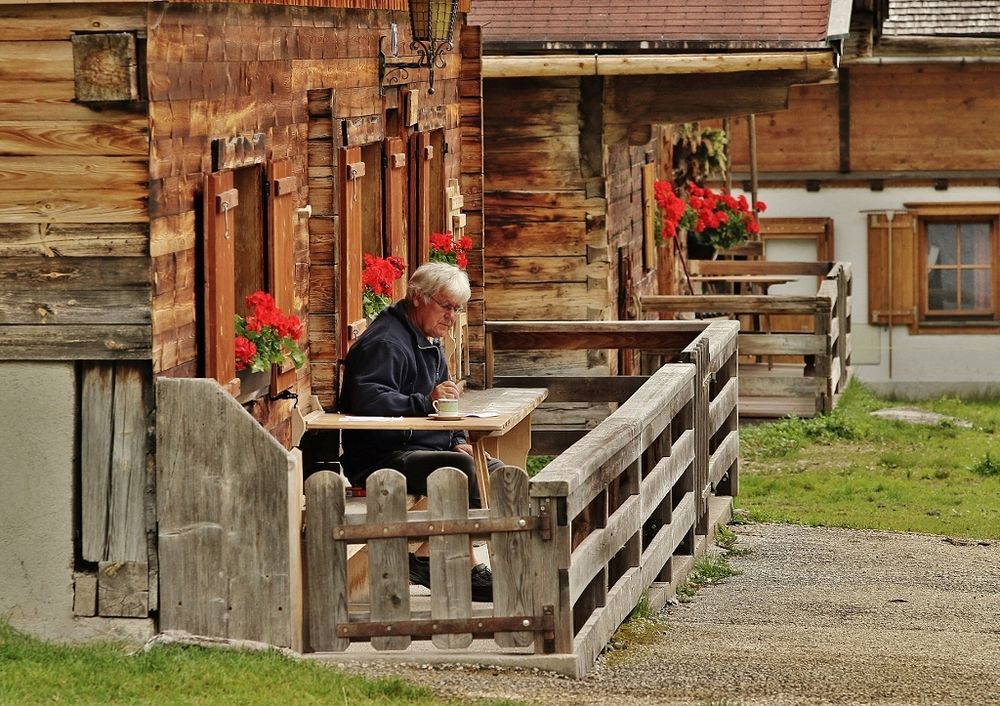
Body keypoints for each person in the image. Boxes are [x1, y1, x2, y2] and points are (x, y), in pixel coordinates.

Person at [338, 261, 498, 601]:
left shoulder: (428, 339)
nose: (451, 317)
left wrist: (456, 440)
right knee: (464, 470)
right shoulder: (386, 342)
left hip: (419, 446)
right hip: (381, 456)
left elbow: (444, 400)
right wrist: (424, 402)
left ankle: (427, 554)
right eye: (446, 306)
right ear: (416, 297)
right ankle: (464, 567)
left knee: (490, 469)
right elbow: (366, 399)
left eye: (457, 309)